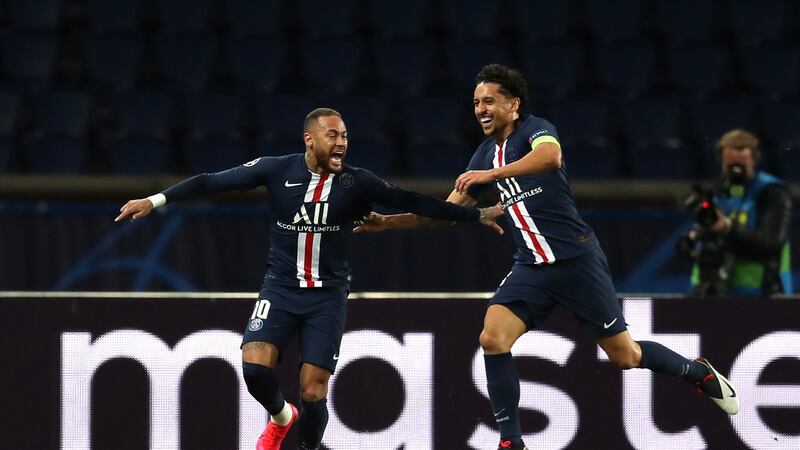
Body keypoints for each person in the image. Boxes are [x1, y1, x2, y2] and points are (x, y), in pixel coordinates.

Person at [354, 64, 740, 450]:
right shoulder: (484, 153)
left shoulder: (535, 129)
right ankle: (512, 442)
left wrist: (491, 176)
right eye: (476, 103)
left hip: (576, 260)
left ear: (514, 104)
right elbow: (445, 214)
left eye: (490, 101)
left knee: (625, 356)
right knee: (492, 337)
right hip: (531, 267)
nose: (481, 109)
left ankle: (696, 372)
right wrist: (388, 223)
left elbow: (550, 158)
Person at [115, 107, 504, 450]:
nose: (341, 143)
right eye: (332, 135)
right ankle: (282, 418)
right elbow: (211, 181)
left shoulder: (357, 183)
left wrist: (476, 215)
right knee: (254, 369)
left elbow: (414, 202)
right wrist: (154, 200)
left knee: (313, 391)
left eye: (345, 136)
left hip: (327, 296)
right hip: (280, 288)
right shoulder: (277, 169)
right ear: (309, 139)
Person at [690, 128, 792, 296]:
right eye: (730, 166)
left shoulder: (773, 193)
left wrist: (727, 227)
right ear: (721, 162)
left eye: (741, 167)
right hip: (721, 295)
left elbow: (770, 243)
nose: (735, 172)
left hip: (765, 295)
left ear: (754, 161)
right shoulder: (717, 194)